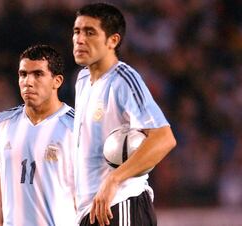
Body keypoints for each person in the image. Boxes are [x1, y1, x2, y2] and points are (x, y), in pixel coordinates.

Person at [72, 3, 177, 226]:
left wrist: (114, 178)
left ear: (113, 41)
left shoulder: (123, 79)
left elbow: (164, 138)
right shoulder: (82, 80)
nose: (80, 39)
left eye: (90, 32)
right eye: (77, 31)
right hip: (91, 210)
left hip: (121, 205)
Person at [0, 45, 76, 226]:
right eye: (23, 74)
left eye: (38, 74)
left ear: (57, 81)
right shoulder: (2, 123)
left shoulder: (76, 126)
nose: (28, 82)